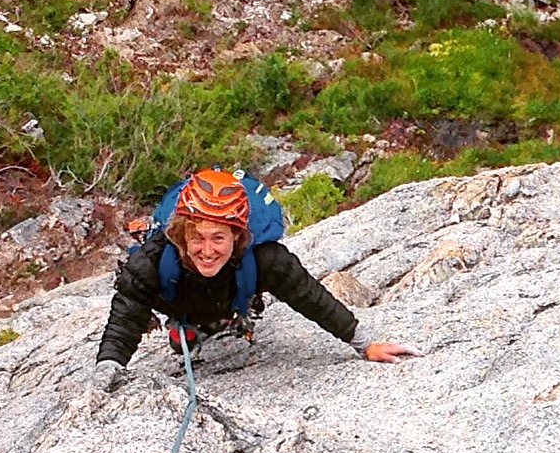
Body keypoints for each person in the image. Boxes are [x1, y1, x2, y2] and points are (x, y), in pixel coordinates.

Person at [87, 166, 413, 390]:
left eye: (218, 238)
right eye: (196, 238)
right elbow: (126, 317)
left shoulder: (266, 260)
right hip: (179, 299)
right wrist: (108, 370)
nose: (207, 249)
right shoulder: (152, 260)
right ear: (179, 235)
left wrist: (365, 344)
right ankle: (187, 325)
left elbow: (311, 297)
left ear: (237, 237)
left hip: (231, 299)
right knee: (187, 320)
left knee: (225, 315)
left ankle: (221, 322)